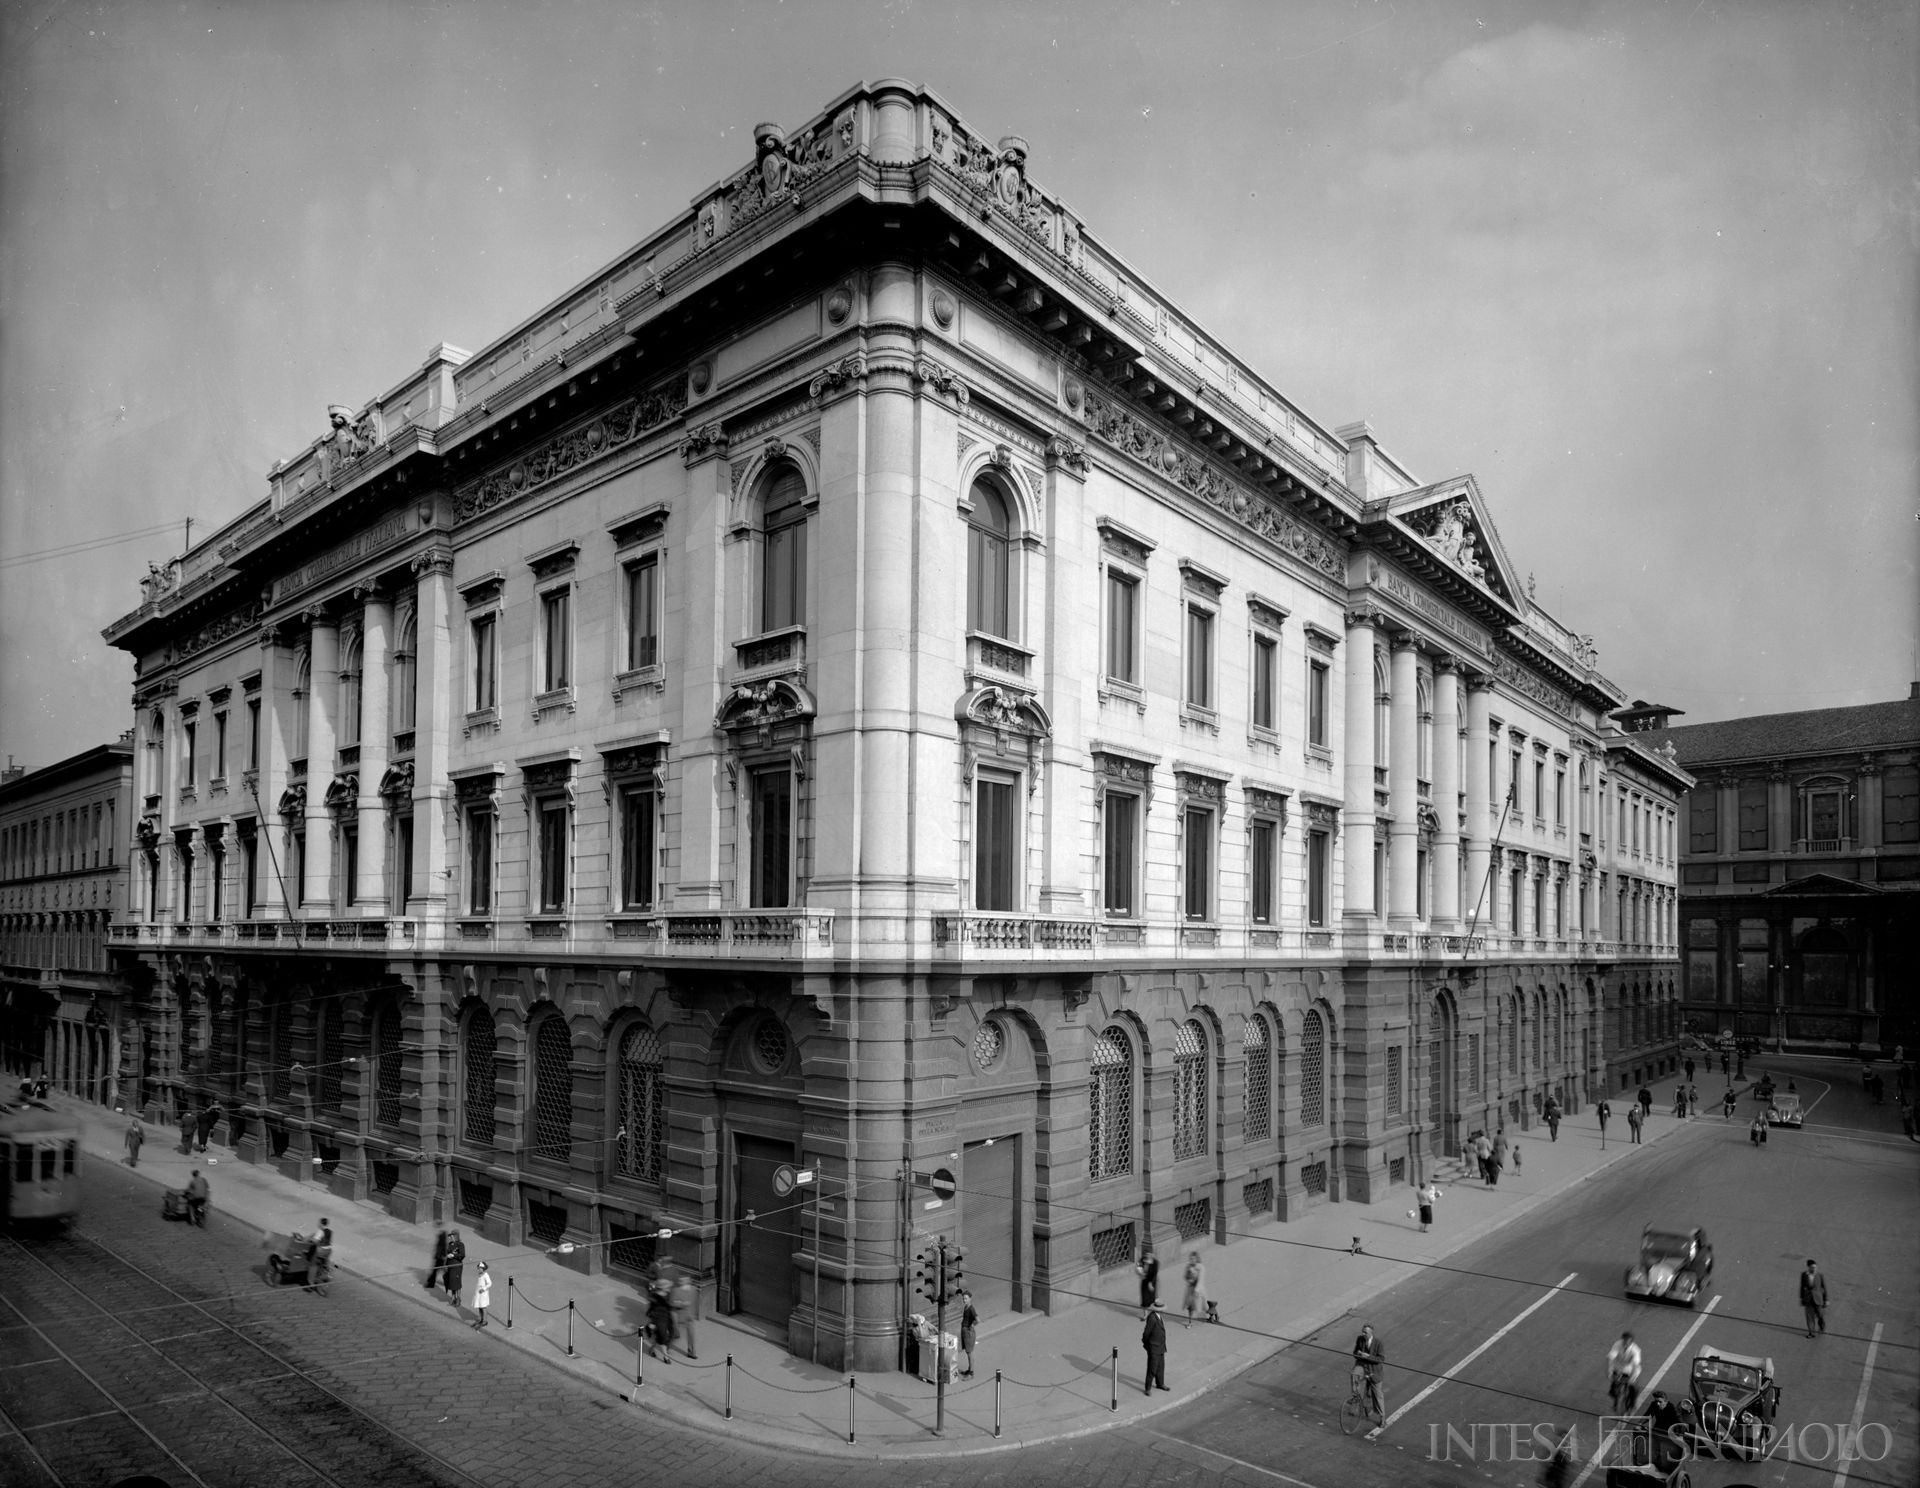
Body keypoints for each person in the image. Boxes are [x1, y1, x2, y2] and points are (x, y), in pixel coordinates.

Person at [1353, 1324, 1387, 1420]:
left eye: (1365, 1332)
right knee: (1361, 1391)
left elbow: (1380, 1359)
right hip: (1363, 1370)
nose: (1363, 1334)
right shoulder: (1360, 1339)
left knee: (1377, 1395)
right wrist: (1359, 1354)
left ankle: (1382, 1417)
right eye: (1362, 1331)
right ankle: (1366, 1409)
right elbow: (1355, 1353)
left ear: (1371, 1333)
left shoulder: (1378, 1343)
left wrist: (1367, 1356)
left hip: (1374, 1372)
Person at [1607, 1331, 1642, 1414]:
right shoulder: (1617, 1344)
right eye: (1624, 1341)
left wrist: (1632, 1378)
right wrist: (1609, 1371)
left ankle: (1633, 1404)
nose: (1625, 1343)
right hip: (1618, 1368)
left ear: (1631, 1342)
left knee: (1634, 1388)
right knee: (1614, 1388)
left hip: (1631, 1370)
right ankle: (1615, 1399)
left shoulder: (1635, 1350)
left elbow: (1635, 1365)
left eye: (1628, 1342)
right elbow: (1611, 1358)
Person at [646, 1274, 676, 1363]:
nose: (669, 1288)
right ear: (662, 1288)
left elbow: (669, 1306)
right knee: (663, 1338)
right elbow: (653, 1311)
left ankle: (651, 1349)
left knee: (668, 1335)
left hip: (667, 1318)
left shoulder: (667, 1294)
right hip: (659, 1320)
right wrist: (652, 1323)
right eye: (667, 1287)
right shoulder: (655, 1298)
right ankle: (666, 1357)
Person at [670, 1269, 699, 1360]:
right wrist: (682, 1304)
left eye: (683, 1280)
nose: (681, 1282)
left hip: (689, 1317)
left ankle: (691, 1351)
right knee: (676, 1335)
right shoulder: (676, 1290)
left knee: (691, 1334)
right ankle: (666, 1347)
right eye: (680, 1280)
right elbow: (671, 1303)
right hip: (679, 1316)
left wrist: (694, 1314)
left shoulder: (694, 1290)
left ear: (688, 1281)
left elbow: (695, 1302)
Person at [1141, 1299, 1168, 1393]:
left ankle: (1160, 1383)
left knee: (1161, 1366)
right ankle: (1147, 1388)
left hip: (1160, 1346)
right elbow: (1146, 1333)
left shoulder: (1159, 1316)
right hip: (1154, 1347)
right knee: (1152, 1368)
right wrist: (1147, 1345)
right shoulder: (1152, 1318)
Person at [1799, 1259, 1827, 1337]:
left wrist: (1826, 1299)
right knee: (1809, 1317)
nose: (1814, 1269)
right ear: (1809, 1267)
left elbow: (1824, 1288)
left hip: (1818, 1299)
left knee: (1820, 1315)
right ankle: (1811, 1332)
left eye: (1815, 1267)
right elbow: (1802, 1286)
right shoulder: (1804, 1275)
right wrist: (1801, 1298)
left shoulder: (1820, 1275)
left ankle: (1822, 1325)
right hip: (1808, 1299)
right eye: (1812, 1267)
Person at [442, 1227, 466, 1306]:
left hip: (457, 1266)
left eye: (452, 1236)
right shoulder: (449, 1245)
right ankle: (453, 1298)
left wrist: (453, 1255)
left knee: (457, 1283)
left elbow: (462, 1254)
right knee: (451, 1282)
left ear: (456, 1236)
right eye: (450, 1236)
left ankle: (458, 1299)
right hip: (450, 1266)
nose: (450, 1237)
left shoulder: (460, 1244)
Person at [1181, 1251, 1206, 1327]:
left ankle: (1203, 1316)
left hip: (1198, 1290)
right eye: (1190, 1259)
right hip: (1190, 1289)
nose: (1191, 1260)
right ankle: (1190, 1322)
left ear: (1196, 1259)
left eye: (1193, 1259)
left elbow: (1200, 1279)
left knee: (1200, 1305)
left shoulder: (1200, 1267)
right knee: (1190, 1306)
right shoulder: (1188, 1266)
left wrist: (1196, 1290)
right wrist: (1188, 1279)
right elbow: (1185, 1276)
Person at [958, 1288, 978, 1376]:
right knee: (967, 1352)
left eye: (966, 1298)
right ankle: (969, 1369)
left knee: (970, 1352)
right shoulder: (966, 1307)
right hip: (965, 1332)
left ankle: (971, 1372)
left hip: (969, 1333)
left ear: (970, 1298)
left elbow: (978, 1320)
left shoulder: (971, 1309)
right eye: (963, 1298)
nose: (964, 1300)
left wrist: (972, 1325)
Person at [472, 1261, 492, 1328]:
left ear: (483, 1269)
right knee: (479, 1306)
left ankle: (485, 1321)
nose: (478, 1269)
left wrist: (483, 1288)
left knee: (483, 1307)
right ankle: (480, 1319)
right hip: (478, 1293)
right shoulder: (480, 1274)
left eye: (480, 1268)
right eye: (478, 1268)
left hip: (483, 1294)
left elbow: (489, 1283)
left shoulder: (486, 1275)